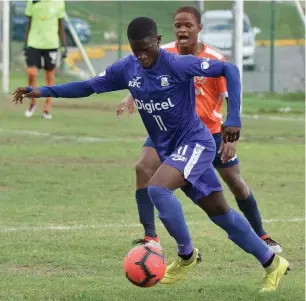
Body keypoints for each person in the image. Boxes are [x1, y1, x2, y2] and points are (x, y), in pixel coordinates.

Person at [12, 17, 290, 292]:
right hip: (173, 149)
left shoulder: (177, 64)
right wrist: (41, 90)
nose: (142, 56)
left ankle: (186, 256)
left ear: (157, 41)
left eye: (147, 48)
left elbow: (230, 69)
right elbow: (87, 86)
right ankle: (271, 263)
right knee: (221, 213)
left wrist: (235, 117)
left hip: (196, 143)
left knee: (157, 188)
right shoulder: (128, 69)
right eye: (136, 50)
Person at [117, 6, 282, 253]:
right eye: (177, 25)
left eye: (188, 25)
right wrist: (132, 96)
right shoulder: (163, 53)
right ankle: (150, 237)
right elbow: (144, 75)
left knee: (235, 182)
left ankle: (262, 235)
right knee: (143, 167)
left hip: (211, 133)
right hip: (172, 132)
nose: (182, 30)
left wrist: (231, 135)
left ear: (199, 29)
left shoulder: (214, 60)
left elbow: (230, 96)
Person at [24, 0, 67, 120]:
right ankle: (32, 103)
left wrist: (64, 45)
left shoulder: (59, 3)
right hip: (34, 43)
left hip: (51, 44)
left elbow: (60, 25)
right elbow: (29, 22)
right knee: (31, 72)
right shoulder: (32, 1)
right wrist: (25, 43)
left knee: (49, 77)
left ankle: (47, 108)